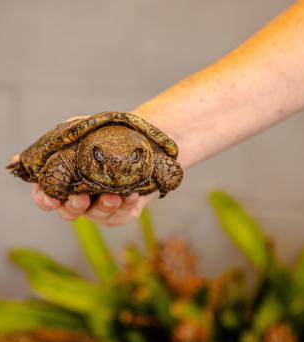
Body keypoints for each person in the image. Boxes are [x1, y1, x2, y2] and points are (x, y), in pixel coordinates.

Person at [21, 0, 304, 226]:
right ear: (88, 152)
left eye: (134, 158)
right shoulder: (73, 154)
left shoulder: (154, 159)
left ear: (144, 153)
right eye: (102, 158)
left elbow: (168, 168)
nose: (118, 169)